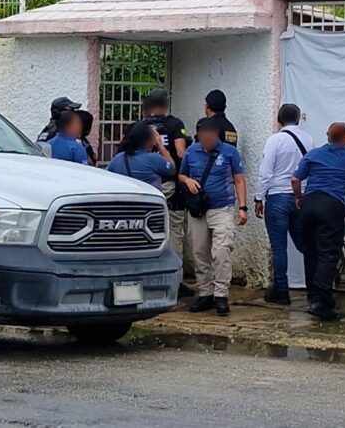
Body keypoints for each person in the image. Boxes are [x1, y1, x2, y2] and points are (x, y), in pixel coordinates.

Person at [292, 122, 345, 321]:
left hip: (309, 204)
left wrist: (299, 198)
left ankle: (312, 295)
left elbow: (295, 180)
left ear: (327, 135)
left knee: (310, 251)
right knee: (328, 253)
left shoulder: (313, 155)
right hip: (331, 206)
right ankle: (321, 301)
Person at [178, 117, 249, 317]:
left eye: (210, 136)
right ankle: (205, 292)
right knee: (199, 252)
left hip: (223, 208)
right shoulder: (191, 151)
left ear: (216, 134)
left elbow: (239, 180)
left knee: (221, 251)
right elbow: (181, 175)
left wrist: (242, 207)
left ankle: (221, 294)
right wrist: (188, 180)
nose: (207, 139)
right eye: (203, 136)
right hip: (198, 210)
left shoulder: (230, 152)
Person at [255, 103, 315, 305]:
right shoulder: (308, 139)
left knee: (279, 248)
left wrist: (258, 198)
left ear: (279, 120)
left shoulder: (275, 140)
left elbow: (265, 172)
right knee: (306, 245)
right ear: (299, 119)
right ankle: (314, 288)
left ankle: (281, 291)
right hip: (300, 198)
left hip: (278, 198)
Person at [139, 89, 193, 297]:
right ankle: (176, 283)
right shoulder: (174, 124)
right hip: (170, 185)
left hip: (143, 186)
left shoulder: (139, 127)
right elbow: (181, 153)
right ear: (165, 105)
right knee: (174, 232)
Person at [107, 121, 175, 189]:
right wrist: (159, 144)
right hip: (148, 198)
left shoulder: (117, 159)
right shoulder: (153, 159)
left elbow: (107, 176)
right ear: (147, 141)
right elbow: (172, 170)